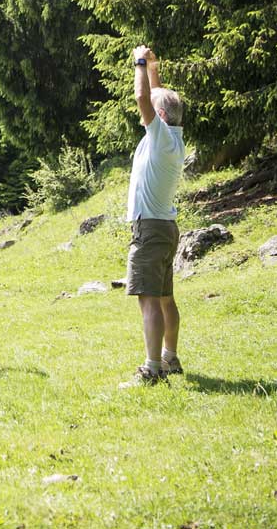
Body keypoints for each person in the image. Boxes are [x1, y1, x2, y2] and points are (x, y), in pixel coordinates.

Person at [122, 45, 186, 387]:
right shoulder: (173, 136)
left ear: (159, 117)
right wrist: (155, 70)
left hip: (149, 230)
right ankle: (170, 358)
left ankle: (151, 370)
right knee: (164, 298)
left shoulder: (159, 136)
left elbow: (143, 99)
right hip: (165, 228)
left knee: (148, 301)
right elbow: (158, 99)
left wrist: (140, 63)